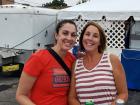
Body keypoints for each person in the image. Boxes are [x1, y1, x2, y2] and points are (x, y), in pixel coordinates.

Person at [16, 20, 78, 105]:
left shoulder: (73, 60)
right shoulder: (38, 58)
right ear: (56, 35)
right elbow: (21, 95)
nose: (69, 38)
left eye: (73, 35)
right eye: (65, 33)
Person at [68, 22, 128, 105]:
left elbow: (123, 94)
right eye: (87, 34)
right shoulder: (76, 64)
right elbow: (72, 98)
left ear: (100, 41)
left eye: (95, 36)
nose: (90, 38)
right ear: (82, 38)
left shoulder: (112, 60)